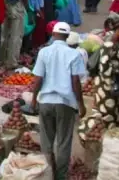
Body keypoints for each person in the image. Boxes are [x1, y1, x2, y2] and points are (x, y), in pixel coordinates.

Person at [29, 22, 87, 180]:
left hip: (46, 101)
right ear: (68, 36)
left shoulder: (44, 52)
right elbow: (76, 82)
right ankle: (61, 176)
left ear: (53, 35)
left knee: (46, 140)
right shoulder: (74, 54)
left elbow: (38, 79)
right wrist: (81, 104)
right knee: (63, 141)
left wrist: (34, 100)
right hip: (65, 103)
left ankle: (48, 172)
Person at [84, 18, 119, 134]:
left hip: (115, 83)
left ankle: (114, 136)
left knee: (118, 113)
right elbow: (104, 68)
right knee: (107, 113)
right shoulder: (108, 45)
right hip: (107, 86)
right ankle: (96, 135)